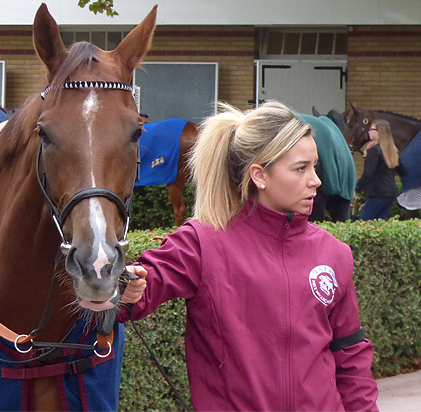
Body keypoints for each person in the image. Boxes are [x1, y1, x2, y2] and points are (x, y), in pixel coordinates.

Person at [121, 101, 378, 411]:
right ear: (259, 175)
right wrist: (123, 289)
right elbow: (124, 299)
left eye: (315, 166)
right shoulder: (202, 243)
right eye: (301, 168)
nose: (316, 180)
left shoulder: (334, 253)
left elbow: (350, 354)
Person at [354, 119, 400, 220]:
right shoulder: (391, 150)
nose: (369, 132)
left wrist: (356, 188)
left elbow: (368, 173)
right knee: (379, 224)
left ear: (379, 132)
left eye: (371, 129)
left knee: (363, 222)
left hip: (377, 193)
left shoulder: (375, 151)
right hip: (390, 193)